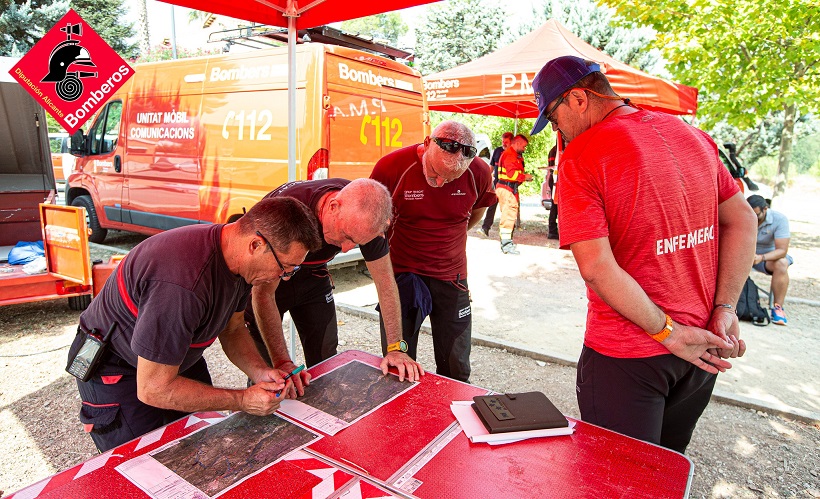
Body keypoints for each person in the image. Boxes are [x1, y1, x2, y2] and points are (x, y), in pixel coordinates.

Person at [529, 55, 757, 453]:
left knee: (621, 479)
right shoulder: (690, 134)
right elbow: (743, 219)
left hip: (630, 354)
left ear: (579, 99)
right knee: (666, 469)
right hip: (700, 348)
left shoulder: (582, 155)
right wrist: (725, 308)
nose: (557, 129)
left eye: (553, 115)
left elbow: (597, 268)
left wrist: (668, 332)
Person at [71, 197, 323, 452]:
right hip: (121, 369)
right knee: (145, 468)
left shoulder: (238, 260)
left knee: (200, 449)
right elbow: (153, 389)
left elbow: (233, 327)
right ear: (256, 245)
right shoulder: (183, 284)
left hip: (173, 357)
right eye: (285, 267)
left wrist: (260, 371)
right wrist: (243, 399)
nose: (283, 277)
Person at [246, 178, 424, 397]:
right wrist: (282, 360)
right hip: (270, 277)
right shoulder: (288, 213)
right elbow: (262, 295)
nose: (347, 249)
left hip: (313, 276)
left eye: (357, 243)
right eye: (347, 237)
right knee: (269, 376)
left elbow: (385, 282)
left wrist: (395, 347)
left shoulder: (366, 216)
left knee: (326, 360)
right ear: (333, 207)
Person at [370, 120, 497, 382]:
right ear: (427, 143)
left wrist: (448, 237)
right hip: (404, 273)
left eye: (450, 179)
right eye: (435, 173)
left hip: (452, 276)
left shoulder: (480, 172)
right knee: (398, 362)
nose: (440, 183)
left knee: (457, 366)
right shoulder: (392, 166)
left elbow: (475, 213)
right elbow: (373, 222)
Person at [747, 194, 792, 325]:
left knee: (782, 264)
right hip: (745, 255)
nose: (754, 219)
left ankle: (777, 308)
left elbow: (782, 250)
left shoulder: (779, 219)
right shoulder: (745, 215)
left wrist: (761, 258)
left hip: (766, 258)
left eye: (757, 215)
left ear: (765, 209)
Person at [496, 134, 533, 254]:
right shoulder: (510, 155)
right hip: (507, 189)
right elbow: (512, 175)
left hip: (508, 188)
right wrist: (525, 177)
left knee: (508, 214)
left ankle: (506, 242)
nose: (524, 149)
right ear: (517, 143)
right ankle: (506, 245)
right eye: (523, 146)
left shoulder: (511, 154)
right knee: (508, 215)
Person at [479, 132, 513, 236]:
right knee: (491, 206)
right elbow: (491, 167)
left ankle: (507, 234)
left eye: (506, 142)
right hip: (497, 184)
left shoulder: (515, 153)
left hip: (508, 186)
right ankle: (485, 228)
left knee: (507, 210)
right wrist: (486, 178)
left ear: (511, 142)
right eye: (503, 141)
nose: (504, 144)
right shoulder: (498, 151)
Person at [546, 143, 560, 240]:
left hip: (554, 179)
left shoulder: (553, 150)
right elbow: (553, 167)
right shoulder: (555, 151)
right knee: (555, 205)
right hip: (556, 180)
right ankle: (552, 230)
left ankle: (553, 230)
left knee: (555, 205)